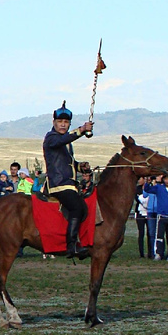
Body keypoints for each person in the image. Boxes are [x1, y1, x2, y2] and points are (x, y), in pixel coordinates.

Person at [41, 101, 94, 258]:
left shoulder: (67, 143)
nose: (63, 125)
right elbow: (62, 140)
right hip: (58, 185)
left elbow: (67, 163)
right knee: (77, 207)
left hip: (69, 184)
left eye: (66, 122)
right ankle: (71, 246)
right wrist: (82, 130)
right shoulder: (51, 138)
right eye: (60, 122)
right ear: (54, 123)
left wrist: (80, 167)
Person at [134, 178, 151, 258]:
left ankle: (150, 252)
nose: (139, 180)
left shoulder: (151, 188)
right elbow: (136, 199)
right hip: (140, 213)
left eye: (140, 179)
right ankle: (141, 253)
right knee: (141, 233)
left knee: (150, 233)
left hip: (149, 213)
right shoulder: (137, 189)